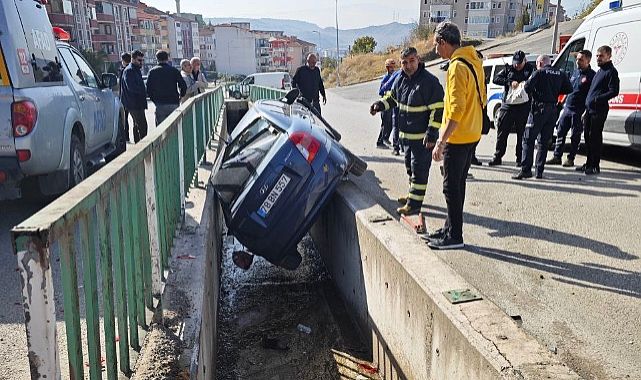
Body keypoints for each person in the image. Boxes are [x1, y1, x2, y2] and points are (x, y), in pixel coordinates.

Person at [426, 22, 484, 250]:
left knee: (451, 187)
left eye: (435, 45)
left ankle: (454, 236)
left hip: (458, 137)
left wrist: (441, 141)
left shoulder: (456, 67)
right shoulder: (472, 59)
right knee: (458, 184)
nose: (435, 50)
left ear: (442, 42)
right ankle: (449, 227)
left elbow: (456, 108)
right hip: (472, 132)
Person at [370, 47, 444, 216]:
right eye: (404, 62)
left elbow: (438, 110)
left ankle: (414, 205)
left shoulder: (429, 82)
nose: (408, 65)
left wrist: (432, 134)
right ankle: (412, 196)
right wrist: (379, 105)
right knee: (410, 168)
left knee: (419, 171)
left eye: (411, 61)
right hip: (407, 138)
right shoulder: (400, 80)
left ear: (418, 59)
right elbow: (392, 99)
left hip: (423, 139)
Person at [513, 55, 572, 180]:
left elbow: (527, 88)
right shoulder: (560, 73)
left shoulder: (538, 73)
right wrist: (554, 91)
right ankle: (539, 171)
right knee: (543, 142)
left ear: (540, 63)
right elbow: (569, 88)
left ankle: (526, 170)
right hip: (552, 110)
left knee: (528, 140)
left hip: (538, 109)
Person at [547, 50, 596, 167]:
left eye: (581, 60)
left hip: (579, 110)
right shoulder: (575, 72)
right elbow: (569, 90)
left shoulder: (591, 76)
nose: (578, 61)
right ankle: (557, 156)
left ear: (588, 61)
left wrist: (586, 111)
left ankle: (570, 158)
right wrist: (562, 102)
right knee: (560, 132)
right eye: (577, 59)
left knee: (575, 136)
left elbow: (591, 95)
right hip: (567, 108)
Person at [577, 45, 620, 175]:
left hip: (599, 110)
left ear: (609, 56)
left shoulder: (611, 71)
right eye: (597, 56)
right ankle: (588, 163)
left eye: (601, 56)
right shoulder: (599, 72)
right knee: (587, 137)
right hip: (590, 110)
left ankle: (595, 165)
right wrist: (587, 106)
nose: (598, 58)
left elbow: (614, 91)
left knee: (595, 138)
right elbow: (592, 91)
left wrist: (597, 99)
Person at [488, 50, 535, 167]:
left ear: (525, 61)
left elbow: (535, 83)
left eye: (519, 63)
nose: (517, 65)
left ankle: (520, 159)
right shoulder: (508, 69)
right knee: (502, 133)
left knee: (521, 134)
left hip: (523, 106)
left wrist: (525, 84)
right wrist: (509, 82)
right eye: (515, 63)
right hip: (508, 106)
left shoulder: (530, 69)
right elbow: (496, 79)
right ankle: (497, 157)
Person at [146, 50, 187, 125]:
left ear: (157, 59)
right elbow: (183, 85)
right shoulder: (174, 70)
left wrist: (154, 100)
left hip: (160, 104)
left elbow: (148, 89)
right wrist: (181, 96)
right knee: (175, 127)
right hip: (173, 102)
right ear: (167, 58)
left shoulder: (152, 71)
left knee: (161, 129)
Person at [120, 50, 148, 143]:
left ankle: (138, 145)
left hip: (137, 103)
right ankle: (143, 146)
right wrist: (144, 92)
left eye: (142, 60)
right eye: (139, 60)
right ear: (133, 59)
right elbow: (131, 87)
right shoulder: (129, 71)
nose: (141, 63)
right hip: (133, 103)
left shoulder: (135, 70)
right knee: (142, 126)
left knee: (137, 126)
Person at [376, 59, 400, 149]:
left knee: (390, 123)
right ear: (387, 68)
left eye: (394, 67)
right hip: (385, 103)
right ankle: (380, 141)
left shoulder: (394, 76)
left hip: (392, 104)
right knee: (385, 123)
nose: (393, 69)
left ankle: (385, 138)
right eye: (391, 67)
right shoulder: (386, 78)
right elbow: (381, 91)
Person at [118, 52, 131, 142]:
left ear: (123, 60)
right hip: (131, 98)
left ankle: (126, 137)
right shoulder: (132, 68)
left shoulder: (124, 70)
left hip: (125, 98)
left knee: (124, 119)